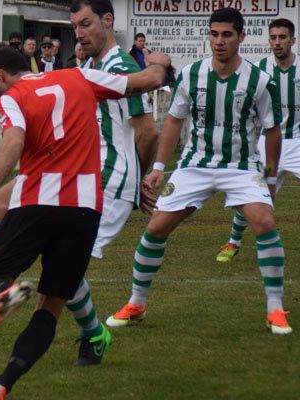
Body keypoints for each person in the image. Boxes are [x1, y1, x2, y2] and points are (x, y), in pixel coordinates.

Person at [0, 0, 161, 368]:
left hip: (102, 176)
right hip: (64, 171)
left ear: (108, 21)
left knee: (61, 267)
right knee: (0, 208)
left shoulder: (121, 64)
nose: (79, 34)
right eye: (75, 27)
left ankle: (89, 331)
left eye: (85, 25)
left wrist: (139, 180)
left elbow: (147, 131)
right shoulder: (86, 67)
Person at [106, 8, 292, 335]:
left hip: (243, 166)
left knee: (264, 222)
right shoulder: (192, 74)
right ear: (208, 35)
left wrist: (272, 175)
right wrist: (160, 167)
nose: (219, 41)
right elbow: (175, 120)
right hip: (194, 165)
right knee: (156, 226)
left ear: (241, 37)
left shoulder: (260, 81)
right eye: (214, 34)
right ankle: (136, 302)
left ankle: (275, 308)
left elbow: (272, 130)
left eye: (227, 35)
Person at [216, 18, 300, 263]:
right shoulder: (261, 70)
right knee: (254, 194)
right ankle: (233, 241)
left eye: (282, 37)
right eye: (273, 37)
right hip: (267, 144)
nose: (277, 42)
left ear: (292, 40)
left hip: (297, 142)